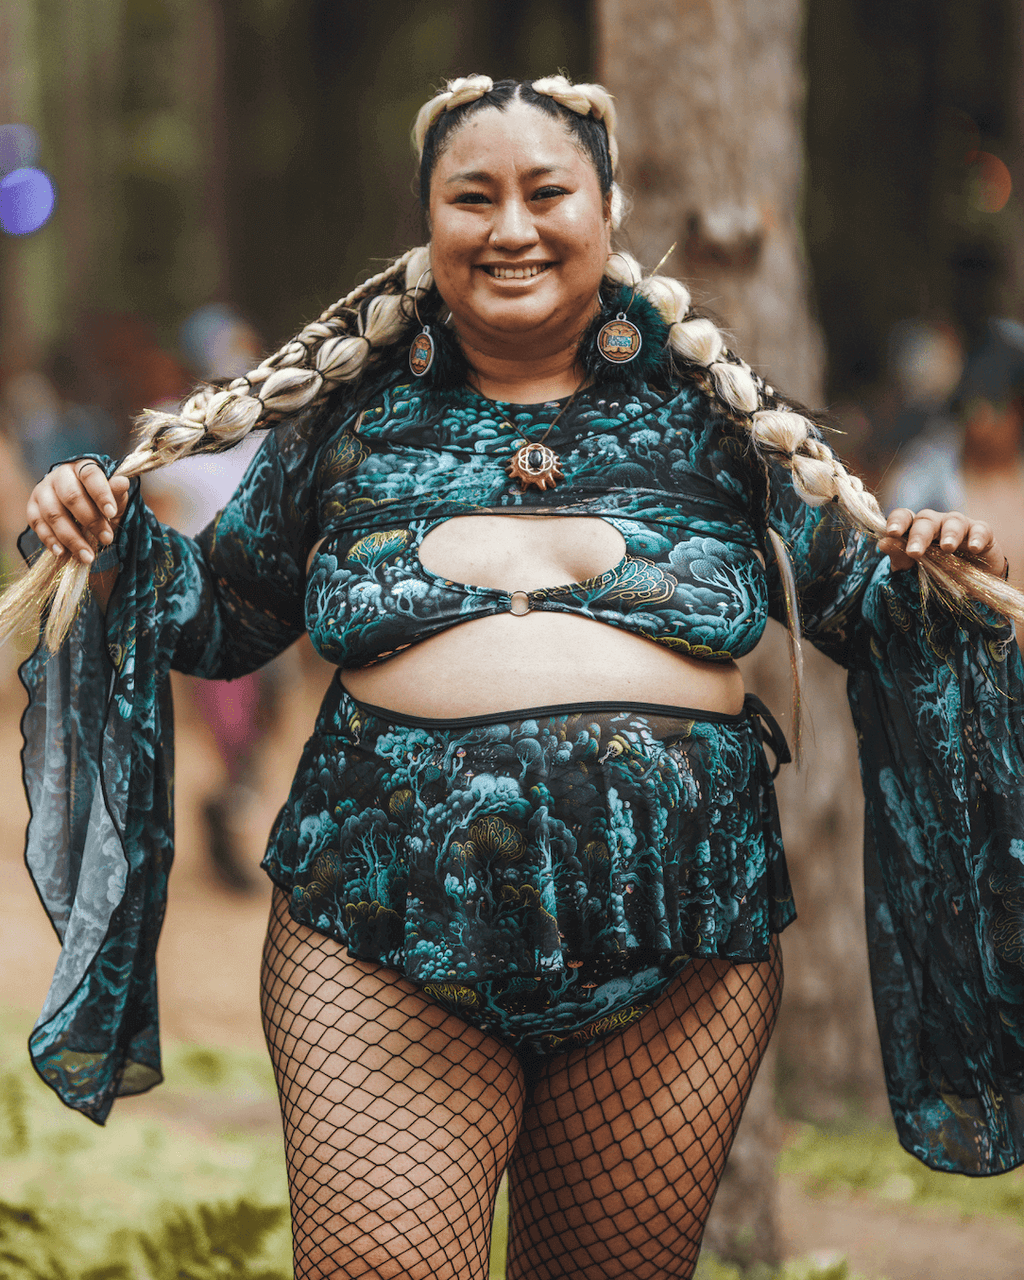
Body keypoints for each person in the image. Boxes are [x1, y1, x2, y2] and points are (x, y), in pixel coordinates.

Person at [8, 75, 1024, 1280]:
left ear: (609, 208)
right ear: (427, 223)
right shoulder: (349, 418)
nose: (510, 226)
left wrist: (934, 578)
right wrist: (112, 545)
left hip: (677, 946)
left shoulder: (713, 415)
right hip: (378, 935)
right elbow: (227, 614)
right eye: (470, 196)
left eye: (547, 191)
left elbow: (862, 605)